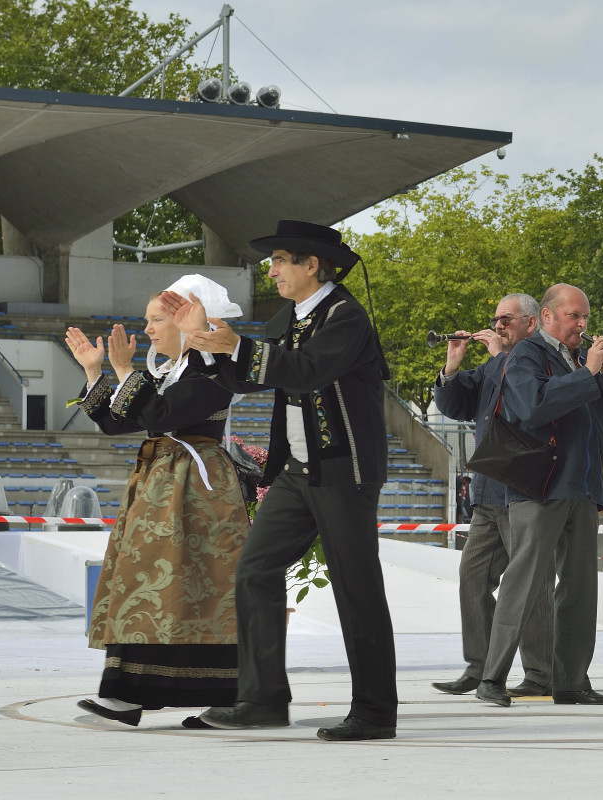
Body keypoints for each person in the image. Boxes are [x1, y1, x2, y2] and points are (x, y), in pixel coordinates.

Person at [169, 220, 399, 741]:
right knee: (254, 570)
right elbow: (248, 376)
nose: (270, 271)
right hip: (299, 471)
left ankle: (375, 712)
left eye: (278, 261)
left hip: (343, 471)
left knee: (356, 589)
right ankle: (262, 700)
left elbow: (305, 370)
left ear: (311, 265)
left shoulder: (345, 316)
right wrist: (203, 341)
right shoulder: (292, 316)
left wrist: (235, 344)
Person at [65, 276, 250, 728]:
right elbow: (117, 422)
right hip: (162, 485)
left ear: (189, 320)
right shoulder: (169, 371)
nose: (147, 329)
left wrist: (124, 371)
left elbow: (162, 415)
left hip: (197, 489)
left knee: (202, 585)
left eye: (156, 320)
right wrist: (95, 372)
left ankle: (225, 696)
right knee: (149, 584)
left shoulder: (213, 368)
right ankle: (127, 693)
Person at [475, 284, 603, 708]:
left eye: (585, 317)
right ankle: (491, 678)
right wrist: (587, 374)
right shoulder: (527, 354)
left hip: (583, 486)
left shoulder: (585, 360)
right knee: (524, 582)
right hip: (541, 486)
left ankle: (571, 681)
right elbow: (533, 407)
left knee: (580, 589)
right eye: (573, 316)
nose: (582, 324)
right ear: (546, 317)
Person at [431, 294, 554, 698]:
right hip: (488, 490)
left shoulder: (540, 358)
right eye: (496, 319)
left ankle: (541, 673)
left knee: (531, 585)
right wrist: (452, 365)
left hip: (524, 489)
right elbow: (454, 405)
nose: (497, 326)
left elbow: (524, 403)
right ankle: (480, 667)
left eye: (506, 319)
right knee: (473, 576)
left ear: (531, 323)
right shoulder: (492, 365)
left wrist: (500, 356)